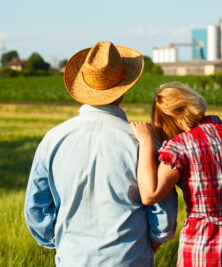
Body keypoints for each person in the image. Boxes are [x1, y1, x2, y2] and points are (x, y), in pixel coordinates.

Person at [24, 41, 177, 267]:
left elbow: (36, 207)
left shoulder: (53, 139)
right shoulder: (143, 142)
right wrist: (145, 246)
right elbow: (163, 215)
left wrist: (64, 243)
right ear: (124, 89)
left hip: (71, 259)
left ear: (84, 87)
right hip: (131, 259)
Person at [130, 82, 222, 266]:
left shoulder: (181, 147)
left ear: (168, 120)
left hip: (204, 251)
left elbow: (150, 194)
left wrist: (146, 141)